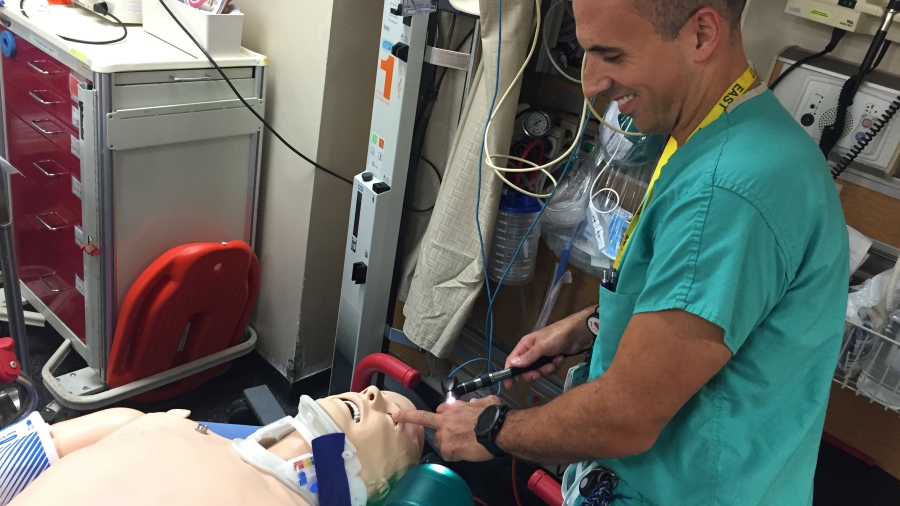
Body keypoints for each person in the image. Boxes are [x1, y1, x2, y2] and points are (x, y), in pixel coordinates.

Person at [393, 0, 849, 504]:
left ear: (701, 34)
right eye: (587, 52)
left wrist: (492, 429)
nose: (591, 84)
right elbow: (695, 296)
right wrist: (593, 323)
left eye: (612, 55)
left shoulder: (726, 192)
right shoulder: (718, 135)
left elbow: (627, 417)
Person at [8, 386, 424, 506]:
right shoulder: (147, 422)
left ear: (377, 487)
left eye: (395, 418)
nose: (373, 393)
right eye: (380, 390)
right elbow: (14, 459)